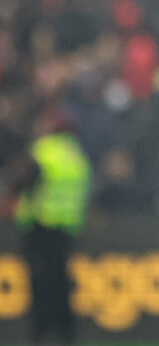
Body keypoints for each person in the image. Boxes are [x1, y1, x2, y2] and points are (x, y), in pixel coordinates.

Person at [10, 110, 91, 345]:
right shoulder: (77, 155)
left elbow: (23, 182)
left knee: (40, 283)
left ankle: (43, 335)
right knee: (61, 283)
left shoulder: (43, 150)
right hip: (67, 228)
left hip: (40, 226)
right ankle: (66, 335)